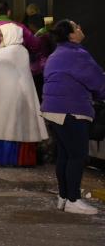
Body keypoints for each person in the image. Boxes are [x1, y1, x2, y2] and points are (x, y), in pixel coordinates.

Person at [41, 20, 105, 215]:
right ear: (70, 35)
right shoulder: (77, 54)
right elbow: (97, 81)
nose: (80, 29)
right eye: (77, 27)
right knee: (77, 156)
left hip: (53, 110)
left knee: (65, 155)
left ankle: (63, 196)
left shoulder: (56, 54)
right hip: (71, 110)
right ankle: (73, 200)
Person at [0, 23, 49, 166]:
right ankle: (19, 159)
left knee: (3, 127)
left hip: (5, 99)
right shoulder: (22, 51)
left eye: (2, 34)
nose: (0, 37)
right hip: (21, 96)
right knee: (17, 127)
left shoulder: (5, 52)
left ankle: (2, 157)